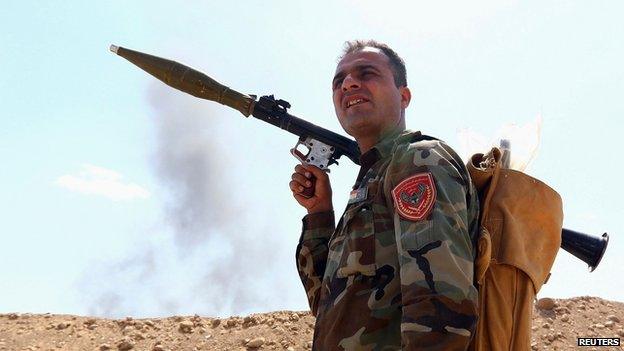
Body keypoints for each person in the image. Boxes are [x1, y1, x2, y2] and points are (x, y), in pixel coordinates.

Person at [289, 40, 480, 350]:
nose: (349, 83)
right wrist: (319, 212)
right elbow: (325, 304)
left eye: (366, 73)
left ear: (403, 96)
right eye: (339, 81)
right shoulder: (370, 182)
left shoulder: (418, 161)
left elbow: (440, 307)